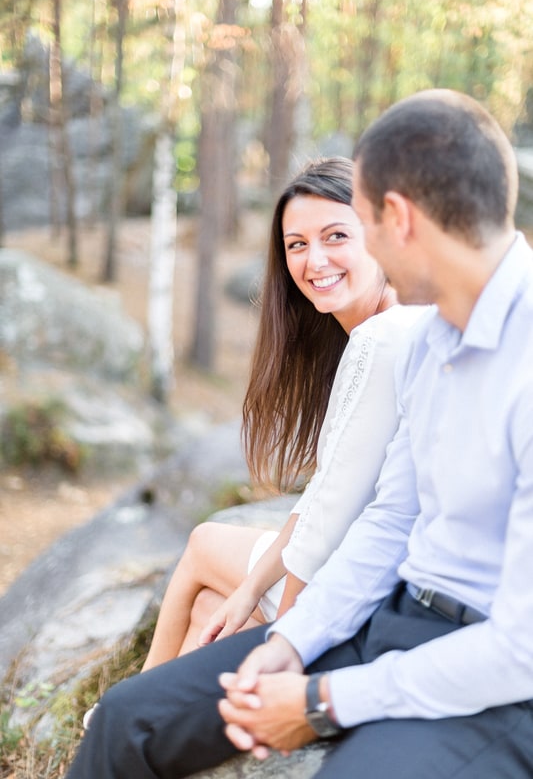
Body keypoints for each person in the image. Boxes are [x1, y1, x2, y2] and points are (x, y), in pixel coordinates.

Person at [67, 88, 533, 779]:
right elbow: (388, 517)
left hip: (492, 681)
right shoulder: (424, 338)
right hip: (388, 618)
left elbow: (518, 649)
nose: (333, 255)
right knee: (129, 721)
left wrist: (318, 702)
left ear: (395, 218)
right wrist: (288, 641)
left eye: (356, 227)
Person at [137, 157, 420, 669]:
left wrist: (286, 643)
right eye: (297, 245)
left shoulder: (383, 336)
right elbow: (326, 493)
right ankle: (130, 714)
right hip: (373, 570)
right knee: (213, 608)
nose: (315, 261)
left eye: (336, 236)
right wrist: (248, 592)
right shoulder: (395, 322)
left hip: (369, 581)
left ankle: (125, 713)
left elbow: (332, 514)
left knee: (204, 546)